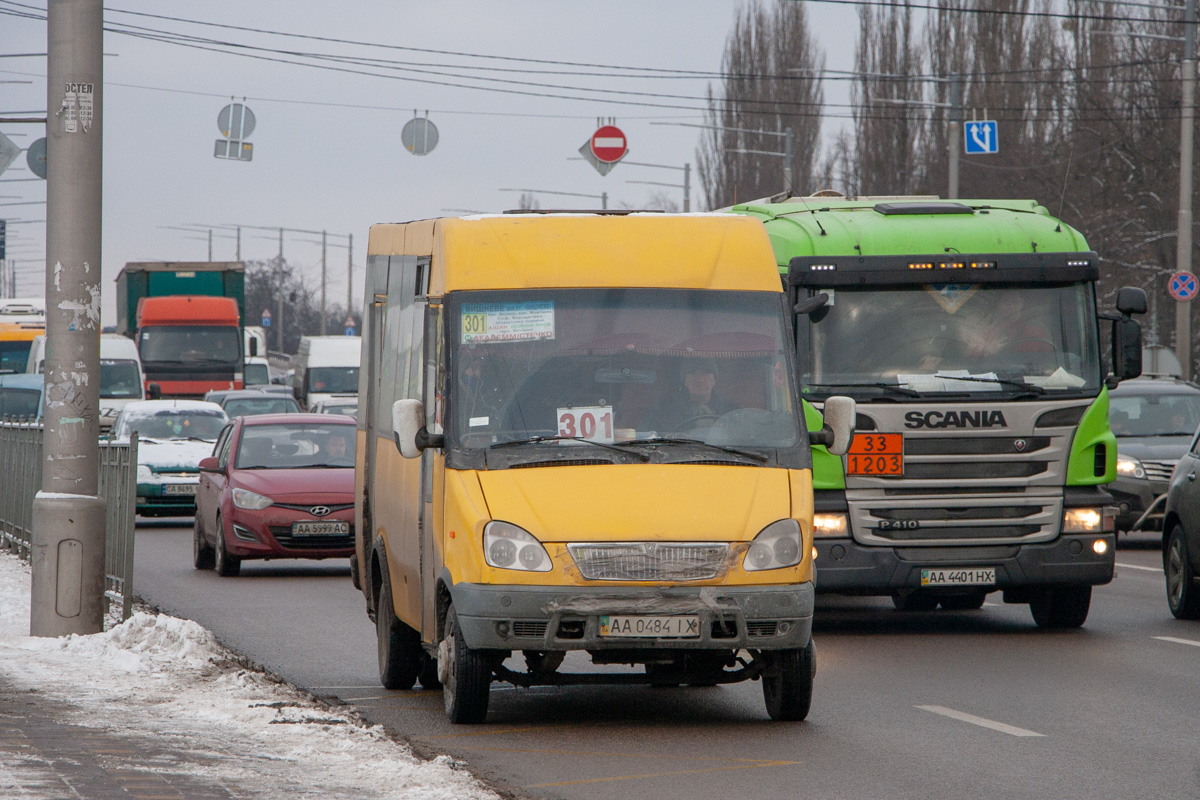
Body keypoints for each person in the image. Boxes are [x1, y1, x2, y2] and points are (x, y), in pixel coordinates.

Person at [642, 358, 738, 433]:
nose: (700, 379)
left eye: (706, 372)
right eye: (693, 372)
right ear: (685, 381)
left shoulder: (730, 410)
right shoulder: (663, 410)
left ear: (714, 380)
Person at [962, 292, 1052, 358]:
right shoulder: (988, 330)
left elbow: (1048, 359)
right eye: (1006, 302)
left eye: (1014, 302)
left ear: (1022, 304)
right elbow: (968, 358)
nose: (1011, 306)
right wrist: (987, 352)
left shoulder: (1035, 329)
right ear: (998, 305)